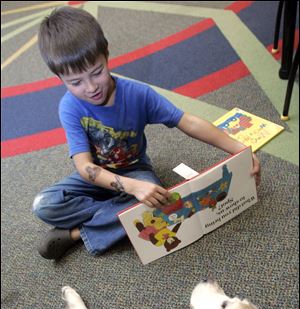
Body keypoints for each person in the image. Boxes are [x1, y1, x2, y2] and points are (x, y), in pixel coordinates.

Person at [33, 6, 261, 260]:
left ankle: (76, 234)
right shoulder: (69, 106)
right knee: (44, 204)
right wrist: (130, 189)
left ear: (106, 54)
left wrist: (240, 149)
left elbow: (188, 122)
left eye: (96, 72)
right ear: (59, 78)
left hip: (135, 170)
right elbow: (85, 167)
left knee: (154, 199)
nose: (90, 87)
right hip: (97, 179)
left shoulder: (138, 94)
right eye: (75, 82)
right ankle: (118, 215)